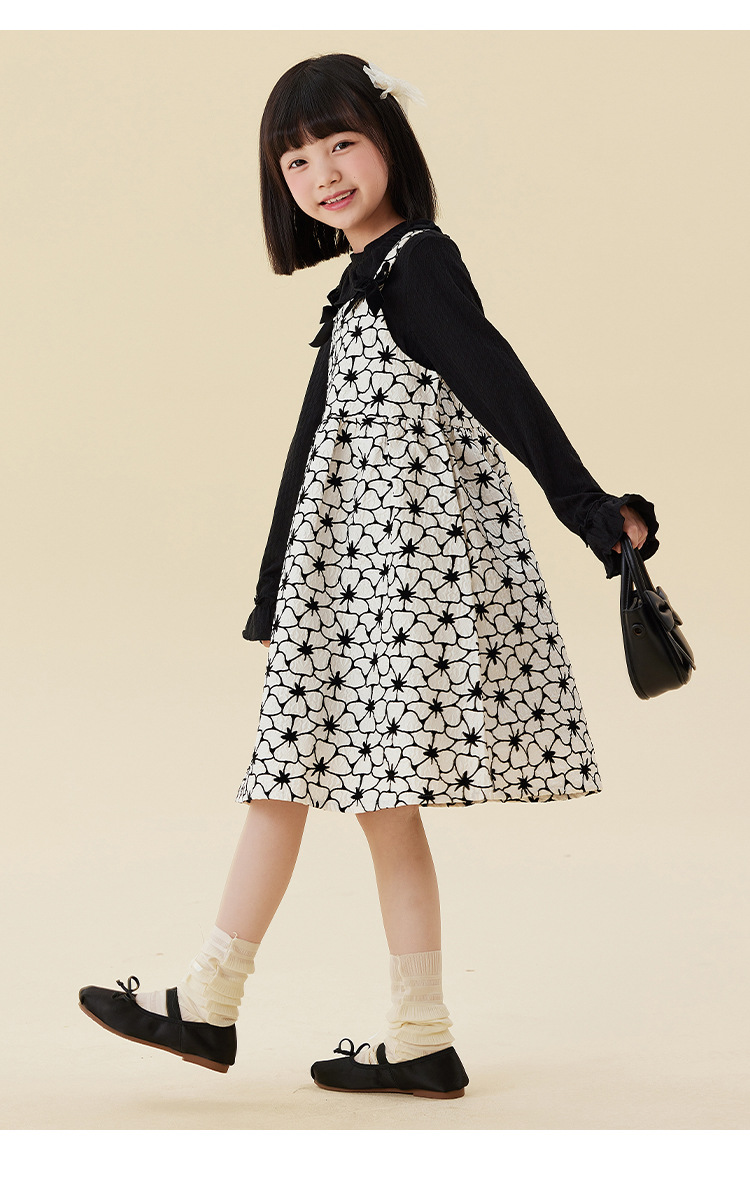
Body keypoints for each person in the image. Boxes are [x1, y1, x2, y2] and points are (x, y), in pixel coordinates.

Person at [79, 53, 659, 1102]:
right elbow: (313, 450)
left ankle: (211, 1001)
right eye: (296, 160)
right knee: (373, 805)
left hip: (388, 587)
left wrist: (588, 508)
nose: (324, 173)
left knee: (288, 776)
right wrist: (276, 590)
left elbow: (501, 383)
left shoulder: (417, 264)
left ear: (389, 142)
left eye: (342, 143)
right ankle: (418, 1035)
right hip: (349, 586)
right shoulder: (365, 280)